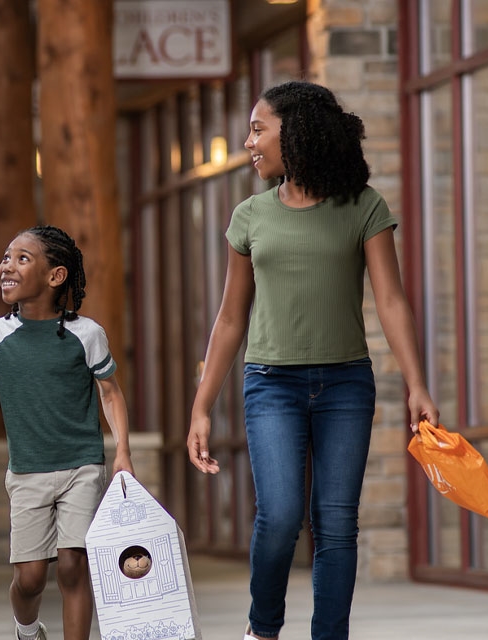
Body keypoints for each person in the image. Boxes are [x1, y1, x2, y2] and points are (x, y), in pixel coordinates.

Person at [185, 81, 440, 640]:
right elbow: (230, 319)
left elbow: (391, 300)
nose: (249, 141)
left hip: (346, 384)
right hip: (270, 384)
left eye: (259, 129)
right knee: (278, 519)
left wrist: (417, 384)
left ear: (295, 132)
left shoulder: (362, 206)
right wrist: (203, 407)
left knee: (336, 525)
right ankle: (263, 629)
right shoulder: (250, 216)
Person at [0, 225, 134, 640]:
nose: (7, 265)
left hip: (81, 465)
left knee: (75, 565)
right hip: (26, 473)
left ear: (55, 276)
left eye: (22, 258)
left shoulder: (87, 334)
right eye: (6, 257)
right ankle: (28, 630)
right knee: (29, 579)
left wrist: (122, 453)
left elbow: (110, 394)